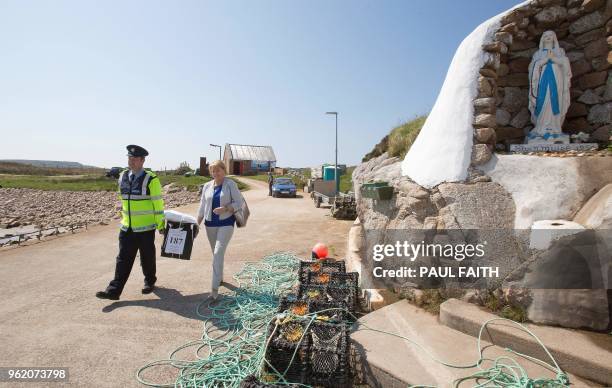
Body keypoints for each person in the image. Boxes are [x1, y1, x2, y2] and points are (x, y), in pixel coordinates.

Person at [96, 145, 165, 300]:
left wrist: (161, 225)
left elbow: (158, 204)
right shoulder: (122, 176)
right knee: (122, 258)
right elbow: (123, 200)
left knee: (147, 256)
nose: (131, 161)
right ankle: (113, 291)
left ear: (142, 160)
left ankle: (149, 281)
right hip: (127, 227)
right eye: (129, 158)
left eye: (134, 159)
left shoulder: (151, 179)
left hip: (146, 228)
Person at [197, 160, 244, 299]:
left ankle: (214, 291)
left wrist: (225, 208)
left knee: (218, 252)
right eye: (213, 171)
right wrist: (196, 223)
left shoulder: (230, 184)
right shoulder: (207, 186)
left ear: (224, 170)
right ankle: (220, 278)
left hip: (226, 223)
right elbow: (202, 207)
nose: (215, 173)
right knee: (216, 253)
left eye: (218, 170)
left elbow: (239, 202)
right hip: (210, 224)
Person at [527, 30, 571, 144]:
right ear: (542, 39)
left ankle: (555, 128)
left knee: (556, 101)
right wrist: (544, 60)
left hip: (557, 81)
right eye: (545, 35)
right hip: (542, 82)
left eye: (550, 35)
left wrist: (555, 59)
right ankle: (541, 128)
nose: (548, 37)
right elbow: (532, 68)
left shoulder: (560, 51)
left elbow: (565, 64)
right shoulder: (538, 53)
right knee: (543, 101)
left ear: (554, 38)